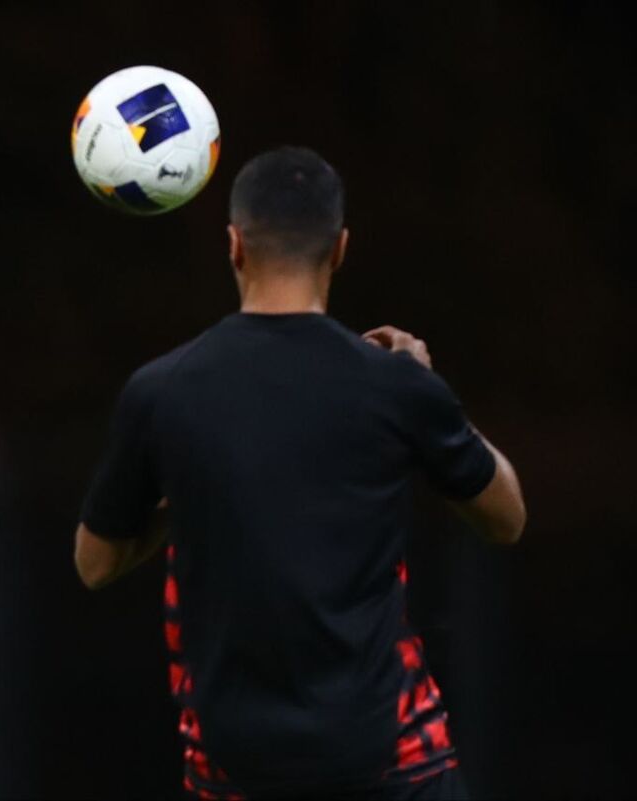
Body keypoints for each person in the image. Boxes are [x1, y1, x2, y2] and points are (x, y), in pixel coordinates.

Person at [74, 147, 525, 800]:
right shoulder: (395, 385)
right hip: (395, 766)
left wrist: (195, 492)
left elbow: (94, 563)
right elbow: (508, 517)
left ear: (234, 245)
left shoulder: (163, 391)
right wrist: (430, 392)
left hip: (233, 772)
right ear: (339, 249)